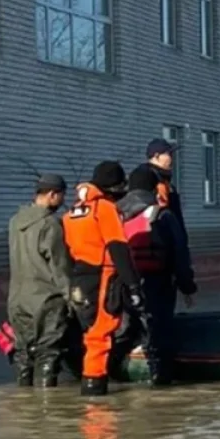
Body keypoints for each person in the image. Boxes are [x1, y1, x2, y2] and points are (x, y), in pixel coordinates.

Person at [64, 161, 145, 396]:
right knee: (100, 335)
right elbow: (118, 247)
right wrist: (133, 285)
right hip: (103, 276)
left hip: (79, 278)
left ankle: (89, 386)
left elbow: (67, 250)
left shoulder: (72, 213)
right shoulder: (105, 209)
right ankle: (95, 394)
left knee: (89, 333)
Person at [115, 166, 197, 386]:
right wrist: (187, 286)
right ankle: (160, 381)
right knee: (158, 332)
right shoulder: (163, 215)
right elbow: (180, 253)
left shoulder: (114, 213)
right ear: (153, 188)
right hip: (157, 282)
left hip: (121, 283)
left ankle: (108, 374)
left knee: (124, 329)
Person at [7, 174, 72, 387]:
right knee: (48, 353)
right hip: (45, 299)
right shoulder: (50, 224)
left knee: (23, 353)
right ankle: (46, 409)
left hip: (16, 300)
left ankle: (25, 405)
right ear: (53, 194)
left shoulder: (15, 222)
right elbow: (59, 267)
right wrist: (71, 298)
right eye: (62, 196)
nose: (63, 201)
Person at [133, 138, 184, 224]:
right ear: (156, 156)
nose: (171, 158)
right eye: (168, 154)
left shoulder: (165, 181)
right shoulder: (143, 175)